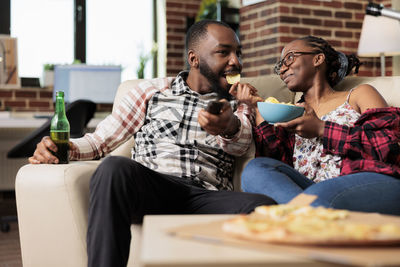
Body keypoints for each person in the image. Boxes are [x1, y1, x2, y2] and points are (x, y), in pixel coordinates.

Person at [29, 20, 276, 267]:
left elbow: (241, 145)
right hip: (155, 187)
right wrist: (60, 148)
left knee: (262, 207)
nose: (236, 61)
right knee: (113, 168)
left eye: (237, 53)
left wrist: (228, 125)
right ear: (194, 59)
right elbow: (100, 141)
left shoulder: (239, 102)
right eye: (224, 52)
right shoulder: (152, 91)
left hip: (206, 195)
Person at [233, 35, 400, 215]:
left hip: (368, 181)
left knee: (316, 196)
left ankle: (301, 218)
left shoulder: (358, 94)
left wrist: (322, 129)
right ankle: (310, 219)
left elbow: (389, 145)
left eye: (289, 58)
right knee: (255, 170)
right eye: (279, 65)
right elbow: (277, 164)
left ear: (318, 59)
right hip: (312, 191)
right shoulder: (291, 112)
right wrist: (258, 108)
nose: (282, 69)